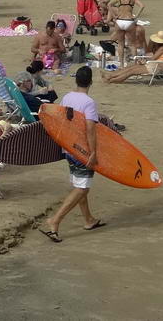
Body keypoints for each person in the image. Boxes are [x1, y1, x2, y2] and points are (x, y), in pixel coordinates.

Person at [40, 66, 104, 242]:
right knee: (82, 188)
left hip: (68, 148)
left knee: (79, 185)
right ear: (91, 82)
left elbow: (60, 120)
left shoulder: (67, 97)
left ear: (76, 80)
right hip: (82, 151)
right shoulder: (89, 102)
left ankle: (89, 220)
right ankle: (55, 221)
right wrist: (93, 153)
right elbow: (90, 129)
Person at [107, 0, 144, 66]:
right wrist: (136, 16)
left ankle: (121, 65)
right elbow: (142, 6)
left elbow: (109, 4)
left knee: (120, 44)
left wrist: (113, 16)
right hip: (129, 21)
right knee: (132, 44)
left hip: (120, 21)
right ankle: (134, 65)